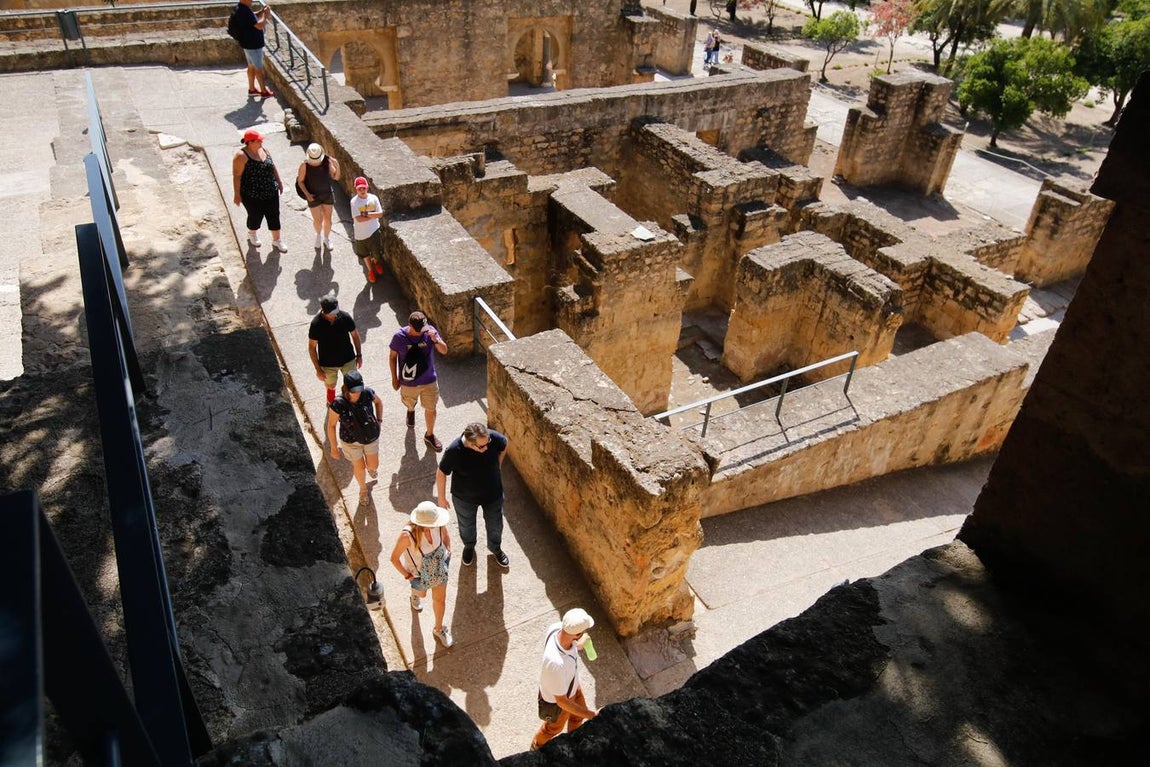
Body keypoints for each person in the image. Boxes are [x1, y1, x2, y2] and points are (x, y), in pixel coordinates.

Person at [436, 422, 509, 570]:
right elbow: (441, 472)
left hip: (492, 494)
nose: (487, 447)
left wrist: (498, 465)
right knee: (466, 525)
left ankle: (496, 549)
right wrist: (441, 499)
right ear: (469, 443)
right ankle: (469, 547)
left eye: (487, 443)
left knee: (495, 524)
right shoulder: (454, 450)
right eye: (481, 446)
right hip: (464, 497)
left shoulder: (491, 438)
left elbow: (504, 444)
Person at [531, 608, 598, 750]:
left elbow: (570, 645)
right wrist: (592, 715)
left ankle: (573, 744)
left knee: (577, 717)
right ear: (577, 634)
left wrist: (579, 645)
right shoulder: (556, 664)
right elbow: (561, 701)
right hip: (560, 701)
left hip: (572, 686)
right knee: (552, 729)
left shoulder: (555, 628)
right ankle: (535, 747)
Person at [389, 501, 454, 648]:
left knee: (440, 600)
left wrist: (448, 551)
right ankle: (414, 595)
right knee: (421, 594)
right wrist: (408, 575)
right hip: (418, 575)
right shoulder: (407, 536)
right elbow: (394, 559)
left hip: (439, 570)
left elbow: (446, 536)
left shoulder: (437, 524)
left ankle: (438, 629)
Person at [390, 311, 448, 451]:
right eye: (419, 330)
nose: (422, 332)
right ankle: (411, 411)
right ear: (410, 325)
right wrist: (395, 378)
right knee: (410, 403)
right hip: (409, 382)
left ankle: (430, 435)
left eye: (424, 328)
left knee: (431, 408)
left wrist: (435, 340)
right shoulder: (399, 337)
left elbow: (444, 350)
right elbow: (392, 357)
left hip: (429, 379)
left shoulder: (430, 332)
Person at [325, 370, 382, 498]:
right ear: (346, 388)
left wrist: (379, 421)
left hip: (370, 437)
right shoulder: (338, 403)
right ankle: (363, 490)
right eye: (353, 391)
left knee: (373, 465)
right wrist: (334, 447)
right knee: (359, 467)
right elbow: (331, 426)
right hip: (350, 441)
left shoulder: (367, 393)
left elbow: (379, 403)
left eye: (359, 390)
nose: (357, 394)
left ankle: (371, 469)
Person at [232, 129, 287, 252]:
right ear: (250, 142)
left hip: (270, 190)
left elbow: (272, 166)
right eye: (259, 140)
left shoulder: (265, 150)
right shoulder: (241, 156)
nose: (262, 141)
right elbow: (237, 176)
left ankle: (277, 240)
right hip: (252, 194)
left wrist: (279, 182)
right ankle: (252, 233)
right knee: (255, 216)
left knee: (274, 215)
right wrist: (237, 194)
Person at [308, 293, 362, 404]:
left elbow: (355, 335)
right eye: (331, 313)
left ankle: (350, 403)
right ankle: (332, 404)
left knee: (352, 384)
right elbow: (312, 347)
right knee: (330, 386)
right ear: (323, 310)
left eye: (335, 311)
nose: (334, 315)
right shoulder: (316, 324)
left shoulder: (345, 317)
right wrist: (318, 369)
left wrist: (359, 355)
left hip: (348, 359)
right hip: (328, 364)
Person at [296, 143, 341, 251]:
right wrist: (307, 195)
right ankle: (318, 235)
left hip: (327, 194)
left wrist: (337, 165)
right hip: (313, 196)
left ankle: (326, 238)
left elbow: (336, 177)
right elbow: (300, 181)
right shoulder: (304, 165)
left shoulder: (327, 161)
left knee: (328, 219)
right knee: (317, 220)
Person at [230, 0, 274, 98]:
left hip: (247, 43)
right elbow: (259, 25)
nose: (252, 0)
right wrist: (265, 15)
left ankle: (252, 89)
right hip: (254, 45)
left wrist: (260, 12)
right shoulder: (244, 10)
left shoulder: (240, 8)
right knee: (258, 68)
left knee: (251, 66)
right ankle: (264, 91)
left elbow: (250, 18)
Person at [350, 176, 386, 283]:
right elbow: (358, 219)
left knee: (376, 251)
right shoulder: (354, 202)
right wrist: (372, 215)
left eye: (363, 188)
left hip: (373, 230)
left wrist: (366, 214)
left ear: (367, 187)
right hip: (360, 234)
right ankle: (370, 271)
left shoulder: (373, 198)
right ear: (355, 189)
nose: (361, 190)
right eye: (359, 188)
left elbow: (380, 214)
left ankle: (375, 263)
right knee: (365, 254)